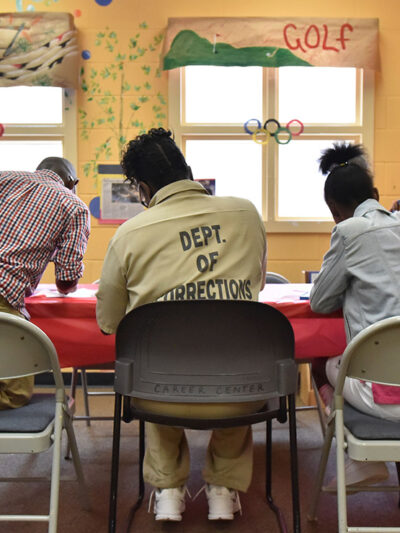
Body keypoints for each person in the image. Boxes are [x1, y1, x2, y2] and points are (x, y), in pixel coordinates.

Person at [96, 128, 267, 522]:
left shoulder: (129, 234)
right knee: (234, 355)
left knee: (155, 359)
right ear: (189, 171)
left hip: (159, 393)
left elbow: (109, 322)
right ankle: (223, 491)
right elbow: (255, 284)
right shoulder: (245, 212)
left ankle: (168, 491)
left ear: (142, 188)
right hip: (242, 387)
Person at [310, 142, 400, 485]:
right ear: (374, 193)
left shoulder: (348, 232)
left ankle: (359, 458)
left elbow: (320, 302)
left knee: (322, 363)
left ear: (334, 208)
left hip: (379, 393)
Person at [0, 157, 90, 410]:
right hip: (4, 297)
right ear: (73, 182)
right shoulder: (74, 206)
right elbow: (65, 281)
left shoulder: (5, 178)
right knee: (14, 393)